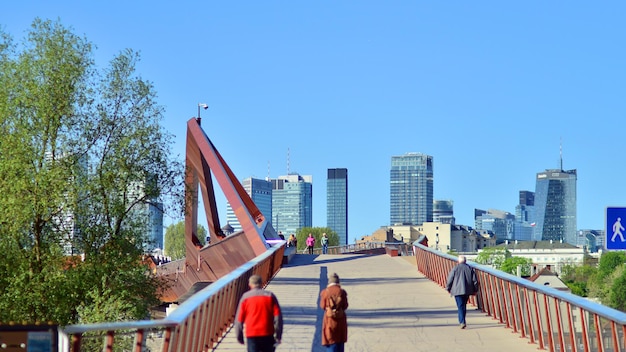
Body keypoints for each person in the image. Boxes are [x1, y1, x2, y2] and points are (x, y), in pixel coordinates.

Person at [235, 275, 283, 352]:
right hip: (267, 333)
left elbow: (239, 320)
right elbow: (278, 317)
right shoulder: (270, 296)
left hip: (252, 334)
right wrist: (278, 335)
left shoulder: (245, 297)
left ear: (250, 285)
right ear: (261, 283)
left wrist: (239, 337)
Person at [446, 255, 478, 329]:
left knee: (460, 306)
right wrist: (475, 290)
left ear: (458, 261)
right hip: (467, 290)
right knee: (463, 305)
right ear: (465, 261)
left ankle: (462, 322)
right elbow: (475, 281)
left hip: (457, 290)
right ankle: (463, 320)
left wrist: (448, 288)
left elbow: (450, 279)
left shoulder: (455, 268)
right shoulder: (470, 268)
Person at [320, 273, 348, 352]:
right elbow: (345, 306)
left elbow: (322, 306)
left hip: (330, 321)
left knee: (331, 341)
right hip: (340, 321)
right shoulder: (342, 292)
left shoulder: (325, 292)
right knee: (340, 343)